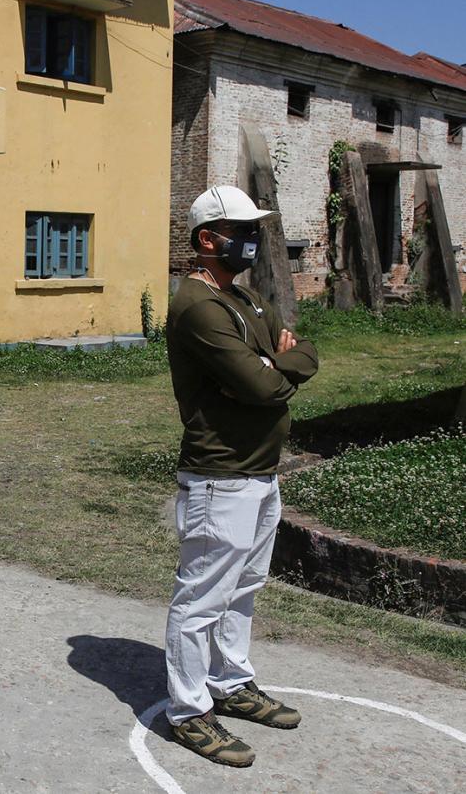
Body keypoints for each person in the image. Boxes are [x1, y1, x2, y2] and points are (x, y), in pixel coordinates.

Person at [164, 186, 319, 768]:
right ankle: (188, 711)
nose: (252, 238)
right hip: (219, 476)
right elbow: (266, 386)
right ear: (209, 239)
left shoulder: (246, 300)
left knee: (244, 589)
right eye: (242, 229)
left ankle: (231, 683)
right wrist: (273, 370)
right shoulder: (198, 307)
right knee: (201, 597)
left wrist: (275, 365)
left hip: (261, 472)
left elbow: (301, 354)